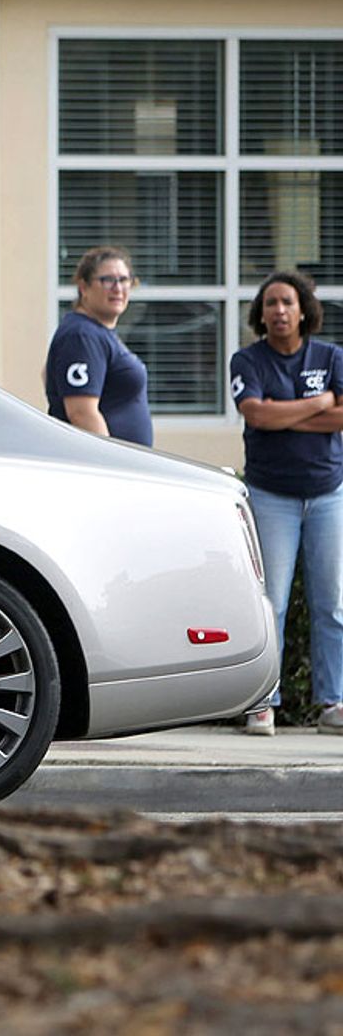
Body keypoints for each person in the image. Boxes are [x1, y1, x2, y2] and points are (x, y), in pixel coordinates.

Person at [230, 270, 343, 736]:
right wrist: (318, 404)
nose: (279, 310)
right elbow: (254, 413)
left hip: (328, 495)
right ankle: (262, 702)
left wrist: (283, 413)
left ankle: (333, 703)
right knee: (270, 602)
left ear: (303, 312)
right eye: (271, 303)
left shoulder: (331, 356)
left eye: (288, 303)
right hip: (271, 495)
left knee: (332, 605)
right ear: (261, 312)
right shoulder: (248, 359)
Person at [44, 246, 154, 446]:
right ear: (83, 287)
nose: (118, 288)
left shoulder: (97, 333)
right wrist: (111, 463)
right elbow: (81, 412)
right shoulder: (82, 335)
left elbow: (46, 373)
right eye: (107, 280)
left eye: (124, 280)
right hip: (105, 469)